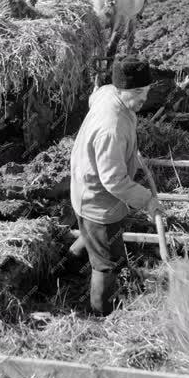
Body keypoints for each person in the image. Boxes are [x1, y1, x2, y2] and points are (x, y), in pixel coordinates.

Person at [70, 57, 162, 315]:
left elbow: (94, 97)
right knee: (107, 262)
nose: (144, 97)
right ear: (122, 90)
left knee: (93, 238)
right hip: (98, 199)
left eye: (146, 90)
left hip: (84, 183)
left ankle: (68, 264)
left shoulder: (107, 93)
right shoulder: (112, 126)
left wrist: (130, 152)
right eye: (137, 92)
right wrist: (147, 200)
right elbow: (113, 180)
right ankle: (101, 314)